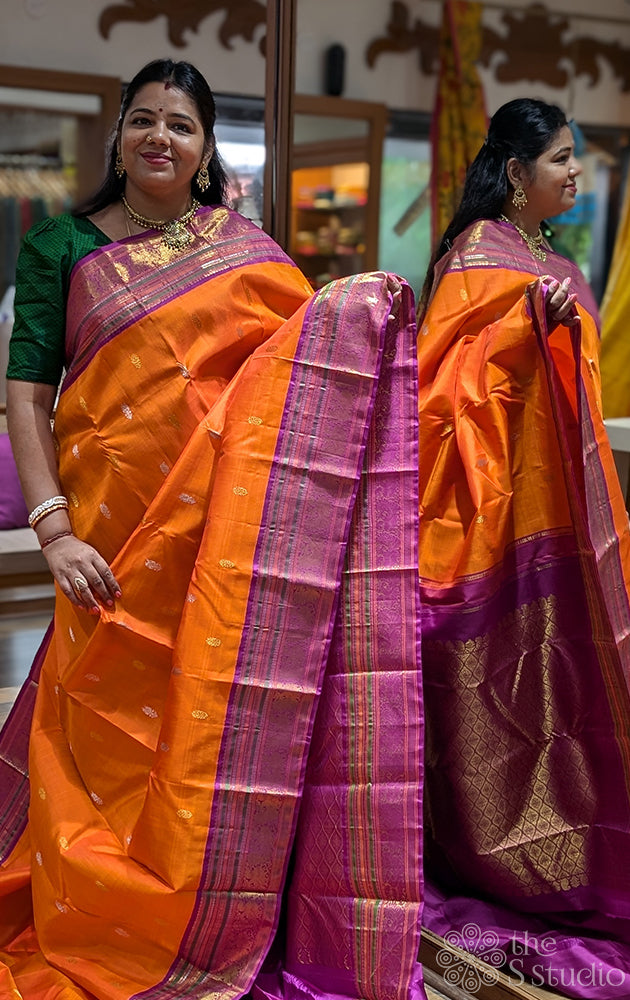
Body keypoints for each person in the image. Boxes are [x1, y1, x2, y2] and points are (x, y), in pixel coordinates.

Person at [0, 59, 424, 1000]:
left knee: (209, 711)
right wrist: (54, 527)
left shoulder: (246, 249)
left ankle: (217, 901)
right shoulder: (62, 246)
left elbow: (310, 353)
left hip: (221, 534)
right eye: (143, 119)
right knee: (104, 731)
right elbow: (27, 393)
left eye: (180, 125)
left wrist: (375, 305)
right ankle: (100, 910)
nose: (159, 136)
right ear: (118, 135)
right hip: (108, 529)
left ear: (203, 152)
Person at [417, 98, 630, 997]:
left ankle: (571, 841)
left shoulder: (560, 259)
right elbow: (435, 385)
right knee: (498, 687)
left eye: (576, 160)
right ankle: (490, 851)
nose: (576, 175)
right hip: (487, 513)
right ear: (516, 174)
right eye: (561, 160)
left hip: (560, 513)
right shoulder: (473, 257)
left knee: (572, 685)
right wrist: (521, 331)